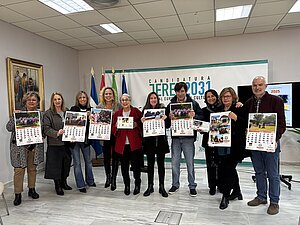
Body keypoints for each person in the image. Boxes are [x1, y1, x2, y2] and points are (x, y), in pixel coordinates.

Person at [245, 76, 286, 215]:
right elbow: (246, 122)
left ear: (265, 85)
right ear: (252, 87)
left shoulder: (276, 101)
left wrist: (276, 138)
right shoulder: (249, 102)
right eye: (255, 85)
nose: (257, 87)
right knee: (259, 172)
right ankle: (261, 197)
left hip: (271, 144)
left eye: (260, 84)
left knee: (273, 174)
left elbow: (281, 124)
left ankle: (274, 202)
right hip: (255, 143)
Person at [165, 82, 203, 197]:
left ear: (185, 91)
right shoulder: (171, 104)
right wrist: (169, 118)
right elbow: (166, 124)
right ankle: (175, 184)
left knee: (190, 163)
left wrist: (195, 115)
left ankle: (192, 186)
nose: (180, 93)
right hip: (176, 138)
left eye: (182, 91)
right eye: (178, 91)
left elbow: (201, 117)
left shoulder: (193, 103)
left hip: (188, 138)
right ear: (175, 92)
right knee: (174, 163)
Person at [6, 92, 44, 206]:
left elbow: (44, 130)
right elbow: (8, 128)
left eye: (33, 100)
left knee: (32, 169)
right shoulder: (19, 113)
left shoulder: (40, 115)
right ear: (25, 102)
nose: (31, 102)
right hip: (19, 147)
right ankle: (18, 194)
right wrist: (14, 117)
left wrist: (42, 136)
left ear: (37, 102)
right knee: (19, 170)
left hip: (34, 147)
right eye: (29, 100)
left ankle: (32, 189)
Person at [215, 87, 247, 210]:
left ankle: (225, 196)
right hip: (221, 144)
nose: (225, 99)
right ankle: (237, 191)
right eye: (223, 96)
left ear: (233, 97)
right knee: (227, 169)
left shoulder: (239, 108)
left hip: (235, 145)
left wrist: (236, 118)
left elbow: (246, 123)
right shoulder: (219, 110)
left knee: (229, 168)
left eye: (228, 96)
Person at [112, 94, 143, 195]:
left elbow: (143, 124)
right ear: (121, 102)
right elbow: (112, 130)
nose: (125, 102)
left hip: (134, 144)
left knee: (136, 166)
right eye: (123, 100)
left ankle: (137, 183)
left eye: (127, 100)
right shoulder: (117, 114)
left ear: (130, 101)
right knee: (124, 166)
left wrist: (136, 125)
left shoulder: (136, 112)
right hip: (122, 145)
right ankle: (127, 185)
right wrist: (116, 127)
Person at [141, 92, 169, 198]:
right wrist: (141, 121)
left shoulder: (163, 110)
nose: (153, 99)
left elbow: (167, 125)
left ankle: (162, 187)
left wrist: (166, 119)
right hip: (149, 142)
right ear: (148, 99)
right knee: (150, 165)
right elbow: (141, 127)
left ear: (158, 99)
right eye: (151, 98)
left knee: (161, 165)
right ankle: (150, 186)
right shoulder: (144, 111)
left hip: (161, 141)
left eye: (155, 98)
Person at [43, 92, 72, 196]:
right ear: (52, 101)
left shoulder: (67, 111)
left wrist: (74, 136)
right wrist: (57, 133)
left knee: (66, 164)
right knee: (56, 166)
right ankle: (58, 185)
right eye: (55, 99)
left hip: (66, 143)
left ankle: (64, 182)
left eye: (59, 99)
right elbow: (46, 129)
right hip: (54, 144)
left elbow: (73, 125)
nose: (57, 101)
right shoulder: (48, 114)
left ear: (62, 100)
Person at [69, 91, 96, 193]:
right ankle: (81, 185)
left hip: (85, 140)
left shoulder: (92, 110)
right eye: (80, 97)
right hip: (74, 141)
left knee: (88, 162)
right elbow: (72, 121)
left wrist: (91, 119)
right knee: (77, 163)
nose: (82, 99)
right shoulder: (73, 109)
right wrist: (85, 115)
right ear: (77, 99)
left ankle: (90, 181)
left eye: (84, 97)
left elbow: (94, 125)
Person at [97, 87, 121, 190]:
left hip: (116, 135)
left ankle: (114, 179)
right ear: (103, 95)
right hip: (104, 136)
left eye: (110, 94)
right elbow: (96, 122)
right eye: (106, 94)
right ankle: (108, 177)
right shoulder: (99, 106)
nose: (108, 95)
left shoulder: (118, 106)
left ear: (113, 95)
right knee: (106, 158)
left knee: (116, 158)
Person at [201, 89, 222, 195]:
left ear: (216, 96)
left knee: (221, 164)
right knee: (210, 164)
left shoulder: (222, 109)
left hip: (221, 141)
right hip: (208, 141)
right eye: (208, 97)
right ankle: (212, 186)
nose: (210, 98)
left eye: (212, 96)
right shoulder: (203, 111)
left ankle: (221, 185)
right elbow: (200, 125)